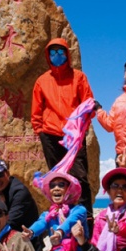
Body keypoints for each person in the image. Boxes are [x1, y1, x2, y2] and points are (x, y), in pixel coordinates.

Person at [31, 37, 95, 218]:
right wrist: (40, 131)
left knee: (80, 177)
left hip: (73, 138)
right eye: (53, 53)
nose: (57, 56)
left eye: (60, 52)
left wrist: (81, 129)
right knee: (56, 180)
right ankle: (60, 218)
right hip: (50, 135)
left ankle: (86, 219)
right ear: (48, 56)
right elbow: (36, 110)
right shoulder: (42, 81)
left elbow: (89, 105)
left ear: (67, 54)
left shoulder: (79, 77)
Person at [22, 172, 88, 251]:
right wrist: (31, 232)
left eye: (61, 185)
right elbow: (41, 222)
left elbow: (71, 221)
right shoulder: (49, 214)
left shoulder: (79, 210)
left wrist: (60, 232)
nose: (56, 188)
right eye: (52, 186)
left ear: (69, 189)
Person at [74, 168, 126, 251]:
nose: (120, 190)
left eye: (125, 187)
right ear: (108, 191)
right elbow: (95, 243)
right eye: (115, 186)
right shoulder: (101, 216)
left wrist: (118, 229)